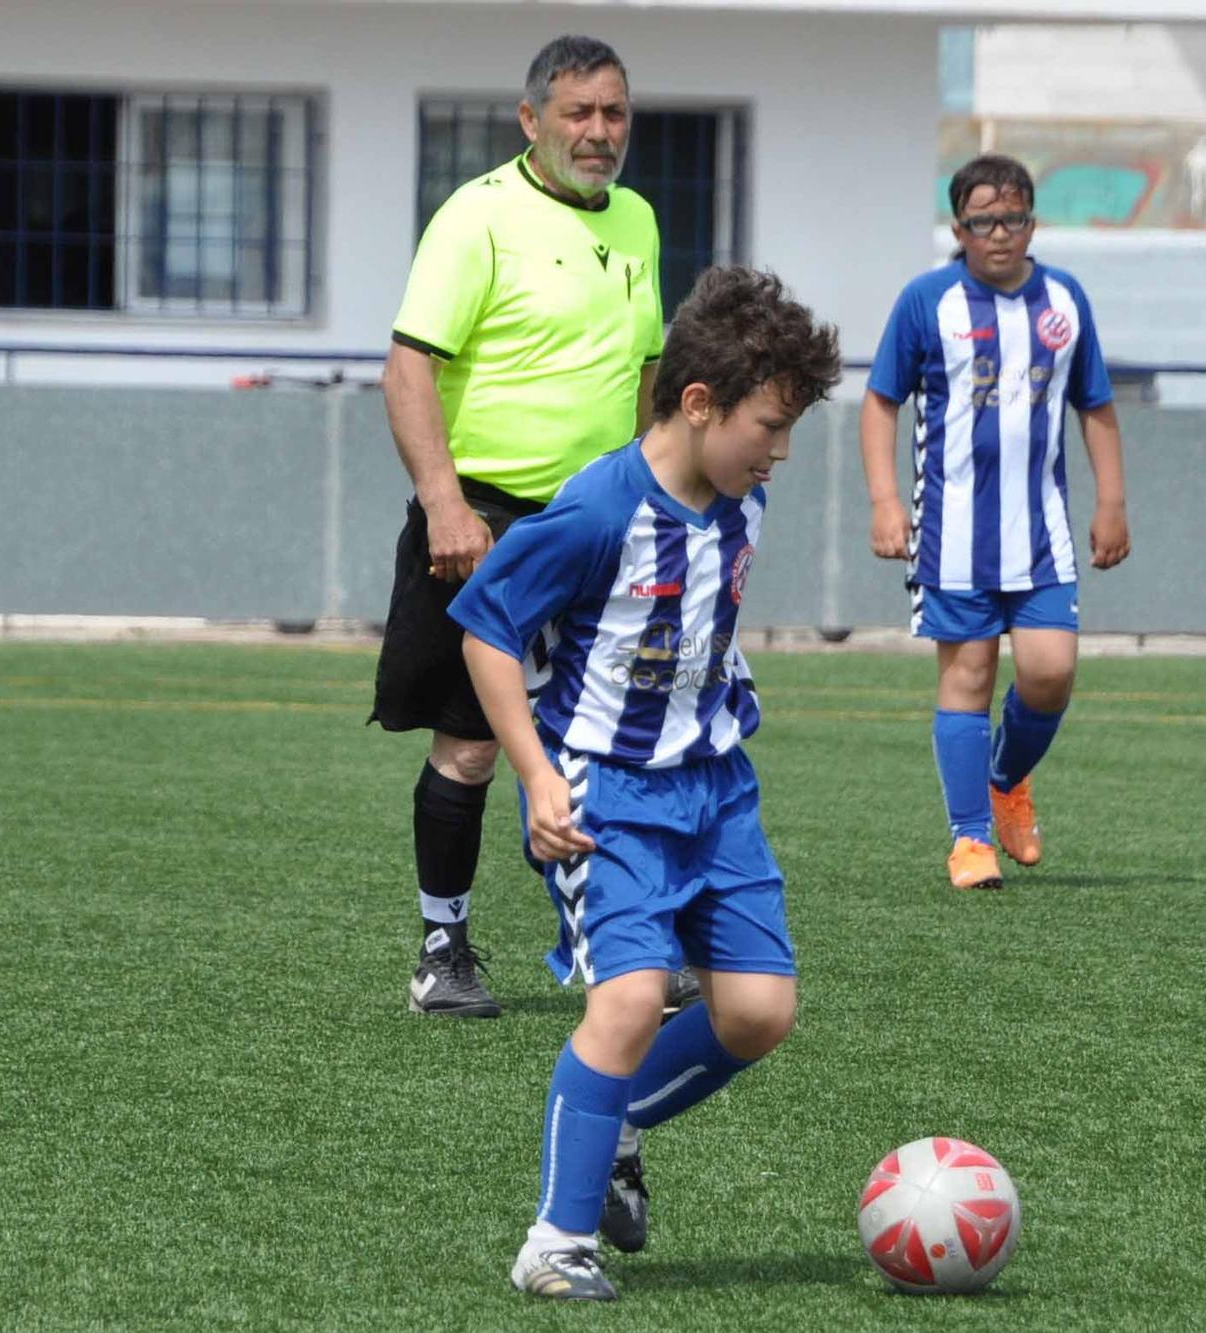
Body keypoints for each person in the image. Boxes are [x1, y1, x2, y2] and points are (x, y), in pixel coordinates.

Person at [448, 266, 841, 1301]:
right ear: (699, 404)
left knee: (758, 1012)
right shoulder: (596, 509)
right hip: (604, 796)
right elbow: (485, 629)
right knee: (624, 1002)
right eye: (770, 424)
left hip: (717, 790)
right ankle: (555, 1243)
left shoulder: (739, 497)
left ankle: (616, 1119)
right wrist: (533, 776)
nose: (781, 450)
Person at [372, 34, 672, 1020]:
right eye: (578, 112)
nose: (598, 133)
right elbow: (408, 367)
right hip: (485, 520)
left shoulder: (636, 221)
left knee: (612, 742)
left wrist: (656, 502)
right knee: (470, 743)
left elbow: (642, 378)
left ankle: (613, 946)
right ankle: (441, 951)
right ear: (531, 118)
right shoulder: (477, 217)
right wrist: (445, 502)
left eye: (613, 113)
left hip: (602, 521)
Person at [859, 154, 1131, 892]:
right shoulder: (928, 301)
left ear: (1032, 223)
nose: (1000, 233)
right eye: (984, 221)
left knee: (1050, 673)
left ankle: (1006, 780)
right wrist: (886, 501)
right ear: (960, 228)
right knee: (969, 674)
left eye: (1013, 219)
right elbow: (880, 400)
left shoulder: (1065, 301)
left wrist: (1111, 501)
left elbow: (1095, 404)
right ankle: (970, 840)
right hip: (952, 533)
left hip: (1042, 533)